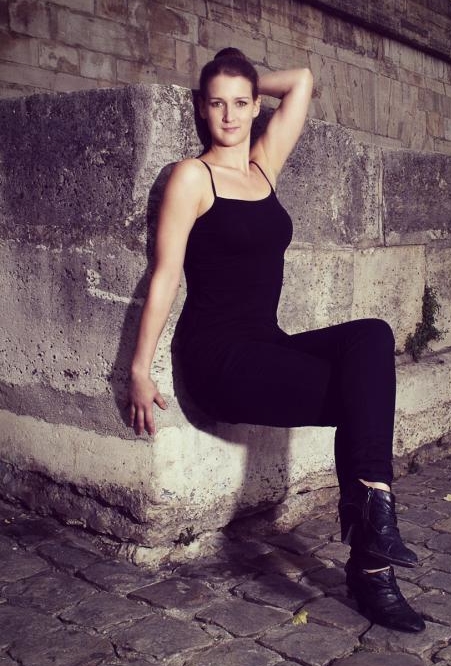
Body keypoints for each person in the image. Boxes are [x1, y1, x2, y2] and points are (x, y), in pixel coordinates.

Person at [127, 48, 425, 633]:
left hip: (268, 343)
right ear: (201, 108)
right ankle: (373, 567)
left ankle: (373, 524)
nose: (230, 115)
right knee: (363, 400)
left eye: (241, 103)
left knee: (372, 337)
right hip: (219, 360)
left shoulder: (263, 167)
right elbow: (164, 274)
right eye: (218, 103)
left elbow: (303, 81)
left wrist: (247, 81)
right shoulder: (192, 177)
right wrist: (140, 368)